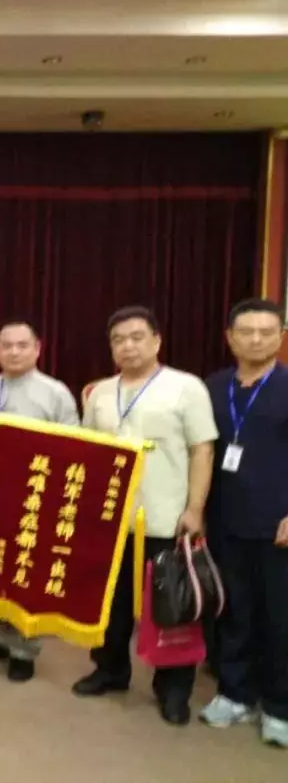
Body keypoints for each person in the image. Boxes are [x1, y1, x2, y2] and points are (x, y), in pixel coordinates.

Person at [74, 305, 216, 726]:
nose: (128, 346)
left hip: (166, 517)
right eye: (118, 340)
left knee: (170, 606)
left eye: (137, 337)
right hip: (112, 518)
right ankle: (110, 669)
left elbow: (202, 450)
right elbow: (89, 451)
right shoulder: (100, 393)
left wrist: (194, 509)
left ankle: (173, 689)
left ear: (156, 341)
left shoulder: (185, 387)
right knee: (111, 603)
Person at [0, 320, 80, 682]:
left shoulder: (55, 393)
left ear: (37, 349)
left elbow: (73, 447)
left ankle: (24, 649)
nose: (14, 352)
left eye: (22, 345)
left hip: (34, 498)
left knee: (26, 572)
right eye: (6, 346)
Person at [199, 298, 288, 748]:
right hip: (224, 517)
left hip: (278, 524)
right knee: (233, 610)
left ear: (280, 337)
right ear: (229, 338)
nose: (255, 339)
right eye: (246, 332)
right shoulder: (212, 387)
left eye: (265, 332)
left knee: (280, 616)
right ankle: (235, 693)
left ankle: (279, 706)